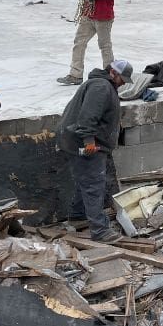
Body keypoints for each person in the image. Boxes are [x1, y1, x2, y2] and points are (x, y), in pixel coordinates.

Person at [57, 59, 133, 242]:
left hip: (76, 140)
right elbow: (88, 117)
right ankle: (99, 231)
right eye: (122, 79)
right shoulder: (101, 87)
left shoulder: (102, 85)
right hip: (84, 142)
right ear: (113, 73)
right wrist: (89, 141)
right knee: (94, 185)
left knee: (85, 181)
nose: (123, 83)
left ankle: (77, 215)